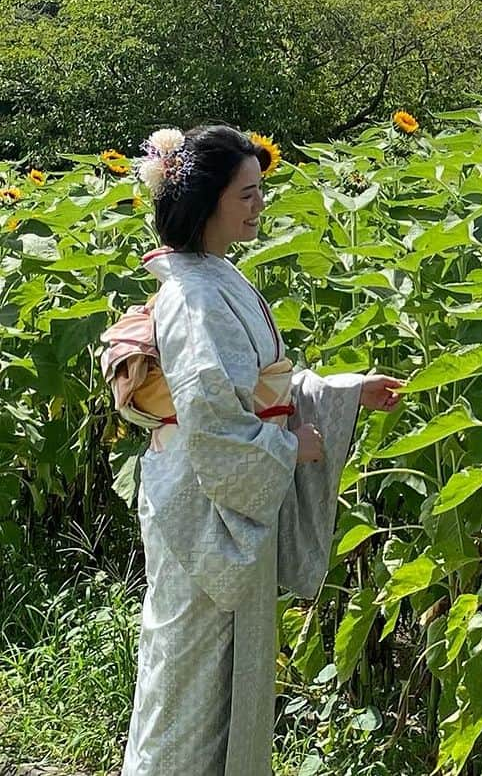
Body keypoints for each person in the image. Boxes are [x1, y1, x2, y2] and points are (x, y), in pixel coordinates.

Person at [116, 124, 403, 775]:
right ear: (207, 200)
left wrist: (343, 392)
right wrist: (286, 446)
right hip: (201, 505)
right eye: (246, 194)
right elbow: (215, 417)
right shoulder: (194, 296)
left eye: (260, 191)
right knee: (187, 677)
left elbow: (257, 386)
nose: (258, 205)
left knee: (221, 675)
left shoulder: (214, 276)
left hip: (217, 500)